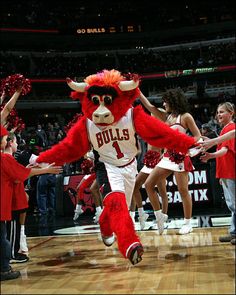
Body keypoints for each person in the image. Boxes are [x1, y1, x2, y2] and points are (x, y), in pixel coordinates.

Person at [0, 125, 63, 281]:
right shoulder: (5, 158)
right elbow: (22, 174)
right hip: (3, 205)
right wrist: (46, 170)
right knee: (3, 239)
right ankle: (4, 269)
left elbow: (18, 175)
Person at [141, 89, 201, 235]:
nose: (163, 104)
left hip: (180, 156)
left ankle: (187, 223)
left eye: (165, 101)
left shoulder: (185, 117)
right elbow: (150, 107)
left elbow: (198, 136)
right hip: (167, 157)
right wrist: (137, 92)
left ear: (173, 101)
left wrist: (185, 145)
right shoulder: (166, 117)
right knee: (148, 184)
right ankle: (159, 216)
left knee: (183, 190)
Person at [200, 102, 235, 245]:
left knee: (234, 204)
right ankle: (233, 232)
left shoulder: (231, 127)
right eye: (217, 112)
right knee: (231, 204)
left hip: (231, 171)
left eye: (222, 112)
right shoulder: (225, 130)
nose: (218, 115)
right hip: (226, 172)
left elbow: (225, 151)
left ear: (231, 113)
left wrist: (211, 156)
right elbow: (223, 149)